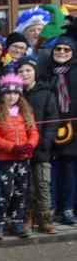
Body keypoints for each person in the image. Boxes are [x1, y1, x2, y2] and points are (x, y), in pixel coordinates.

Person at [0, 74, 38, 239]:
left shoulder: (25, 111)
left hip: (23, 157)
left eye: (15, 93)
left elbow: (33, 131)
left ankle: (17, 222)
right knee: (6, 191)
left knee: (20, 191)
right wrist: (11, 147)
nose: (12, 96)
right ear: (2, 94)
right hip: (6, 158)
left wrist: (30, 144)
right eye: (8, 93)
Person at [14, 56, 59, 233]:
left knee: (43, 184)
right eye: (20, 71)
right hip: (20, 148)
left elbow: (52, 120)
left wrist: (45, 141)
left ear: (35, 73)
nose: (24, 74)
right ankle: (27, 216)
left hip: (41, 148)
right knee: (25, 185)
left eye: (28, 70)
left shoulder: (46, 94)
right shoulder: (14, 95)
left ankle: (45, 217)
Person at [38, 34, 77, 224]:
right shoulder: (45, 72)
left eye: (66, 49)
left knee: (69, 171)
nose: (62, 52)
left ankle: (68, 208)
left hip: (73, 129)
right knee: (50, 172)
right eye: (58, 49)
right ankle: (50, 208)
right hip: (50, 128)